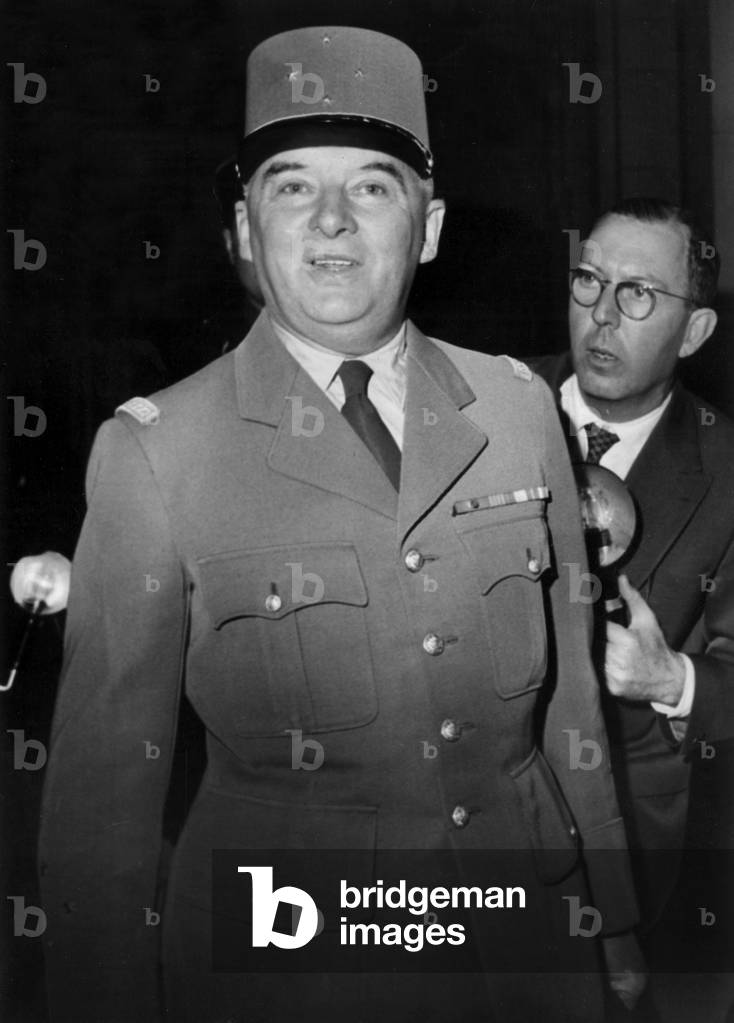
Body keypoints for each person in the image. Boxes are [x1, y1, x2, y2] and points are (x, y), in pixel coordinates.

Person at [38, 27, 641, 1023]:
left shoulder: (515, 408)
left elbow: (571, 702)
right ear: (241, 230)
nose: (330, 221)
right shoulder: (157, 453)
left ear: (428, 224)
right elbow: (104, 801)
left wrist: (611, 921)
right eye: (289, 186)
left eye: (371, 186)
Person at [532, 196, 734, 1021]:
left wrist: (672, 678)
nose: (602, 315)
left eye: (640, 293)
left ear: (695, 333)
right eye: (589, 279)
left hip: (639, 859)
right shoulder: (476, 406)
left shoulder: (728, 469)